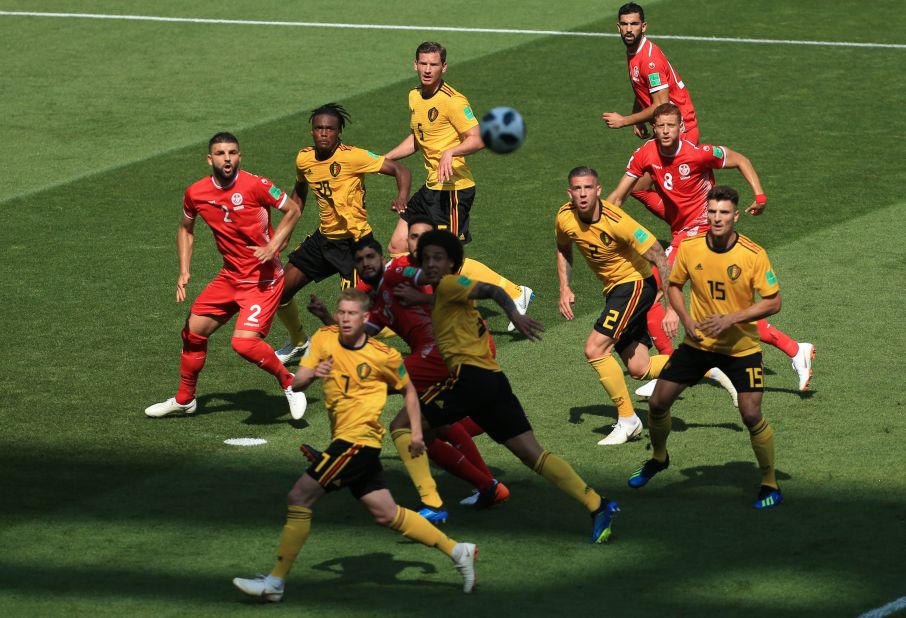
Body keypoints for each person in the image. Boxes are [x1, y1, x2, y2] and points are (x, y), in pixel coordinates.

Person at [233, 289, 477, 602]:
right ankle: (458, 551)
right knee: (386, 513)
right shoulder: (323, 338)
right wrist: (313, 374)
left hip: (359, 443)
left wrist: (416, 432)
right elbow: (296, 382)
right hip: (345, 443)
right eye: (342, 313)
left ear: (365, 319)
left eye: (352, 314)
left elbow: (410, 391)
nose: (346, 319)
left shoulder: (383, 355)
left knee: (299, 496)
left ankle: (275, 583)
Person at [415, 229, 620, 544]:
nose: (430, 263)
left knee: (407, 425)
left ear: (453, 263)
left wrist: (515, 313)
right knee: (531, 454)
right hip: (493, 381)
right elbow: (430, 289)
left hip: (469, 380)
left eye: (437, 258)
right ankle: (597, 504)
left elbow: (492, 291)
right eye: (425, 258)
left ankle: (429, 503)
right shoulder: (445, 290)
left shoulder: (454, 284)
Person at [607, 103, 815, 392]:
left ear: (681, 127)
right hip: (681, 228)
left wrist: (760, 195)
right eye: (661, 126)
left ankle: (668, 371)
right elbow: (618, 196)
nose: (666, 131)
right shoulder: (645, 154)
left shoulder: (697, 153)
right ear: (653, 129)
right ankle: (795, 349)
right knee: (717, 315)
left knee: (654, 289)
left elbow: (741, 159)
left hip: (701, 231)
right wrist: (601, 226)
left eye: (671, 126)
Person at [306, 237, 508, 523]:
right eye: (360, 261)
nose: (366, 264)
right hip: (437, 354)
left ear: (380, 258)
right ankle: (488, 486)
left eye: (370, 258)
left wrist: (423, 284)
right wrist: (326, 315)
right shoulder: (378, 306)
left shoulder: (397, 271)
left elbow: (430, 277)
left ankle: (342, 458)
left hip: (440, 349)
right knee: (435, 427)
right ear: (355, 267)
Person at [626, 186, 784, 509]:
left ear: (736, 216)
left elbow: (774, 302)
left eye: (723, 213)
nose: (716, 218)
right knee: (657, 402)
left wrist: (733, 319)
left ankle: (769, 482)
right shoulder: (691, 248)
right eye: (712, 212)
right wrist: (685, 318)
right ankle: (659, 457)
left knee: (751, 414)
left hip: (741, 348)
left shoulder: (753, 255)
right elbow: (674, 286)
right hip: (697, 345)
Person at [144, 132, 307, 420]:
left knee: (243, 343)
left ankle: (290, 383)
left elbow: (292, 209)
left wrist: (273, 245)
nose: (227, 158)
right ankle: (185, 400)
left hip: (263, 281)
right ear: (210, 159)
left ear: (239, 156)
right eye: (220, 153)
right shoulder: (196, 193)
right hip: (230, 278)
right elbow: (186, 229)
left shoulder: (256, 185)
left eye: (232, 152)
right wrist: (184, 270)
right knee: (193, 332)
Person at [271, 103, 412, 366]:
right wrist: (285, 230)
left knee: (353, 319)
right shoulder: (304, 159)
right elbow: (299, 191)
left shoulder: (354, 157)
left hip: (357, 247)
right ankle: (299, 343)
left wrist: (401, 195)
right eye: (318, 128)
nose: (324, 133)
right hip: (323, 241)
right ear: (312, 132)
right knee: (279, 292)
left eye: (330, 129)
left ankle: (417, 326)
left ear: (339, 132)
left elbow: (401, 170)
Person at [557, 167, 677, 445]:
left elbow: (659, 254)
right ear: (570, 192)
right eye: (577, 189)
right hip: (613, 291)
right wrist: (564, 286)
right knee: (639, 368)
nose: (583, 194)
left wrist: (671, 306)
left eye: (588, 188)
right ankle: (706, 362)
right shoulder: (564, 216)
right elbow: (563, 247)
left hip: (635, 284)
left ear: (598, 190)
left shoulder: (616, 220)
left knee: (595, 348)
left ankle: (628, 419)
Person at [602, 3, 698, 143]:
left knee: (638, 164)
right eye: (624, 24)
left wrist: (624, 120)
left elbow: (661, 105)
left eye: (634, 24)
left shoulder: (649, 61)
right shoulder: (634, 50)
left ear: (644, 26)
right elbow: (642, 86)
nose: (629, 29)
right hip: (668, 127)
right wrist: (637, 116)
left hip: (680, 130)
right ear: (618, 27)